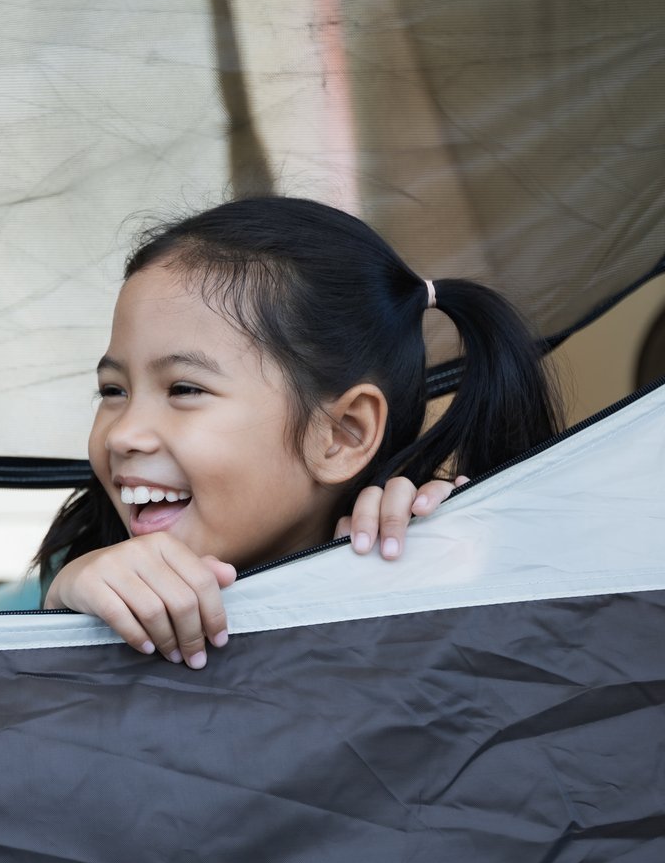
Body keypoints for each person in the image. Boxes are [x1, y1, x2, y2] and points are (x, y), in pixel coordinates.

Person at [39, 197, 562, 667]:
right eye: (112, 391)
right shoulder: (73, 584)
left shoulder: (437, 572)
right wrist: (56, 615)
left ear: (341, 435)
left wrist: (467, 571)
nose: (123, 435)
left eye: (183, 389)